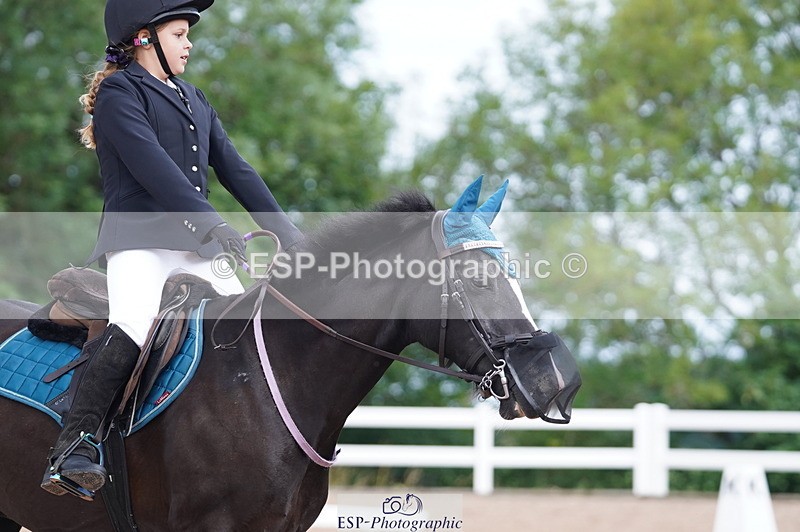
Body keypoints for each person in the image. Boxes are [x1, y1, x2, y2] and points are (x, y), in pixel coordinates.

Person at [41, 0, 302, 498]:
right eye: (180, 33)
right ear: (144, 38)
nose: (189, 44)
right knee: (134, 326)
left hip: (196, 246)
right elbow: (153, 169)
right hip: (139, 243)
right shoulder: (120, 94)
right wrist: (212, 225)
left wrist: (289, 236)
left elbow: (237, 170)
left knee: (246, 326)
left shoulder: (194, 99)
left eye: (187, 34)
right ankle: (73, 446)